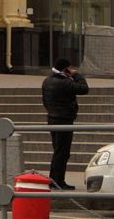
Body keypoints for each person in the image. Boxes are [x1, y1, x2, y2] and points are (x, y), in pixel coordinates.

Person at [42, 57, 89, 190]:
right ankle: (58, 181)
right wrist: (77, 75)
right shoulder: (64, 82)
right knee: (62, 152)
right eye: (70, 68)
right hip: (64, 120)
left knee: (58, 151)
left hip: (52, 118)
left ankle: (54, 180)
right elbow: (84, 89)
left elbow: (44, 100)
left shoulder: (47, 80)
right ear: (66, 69)